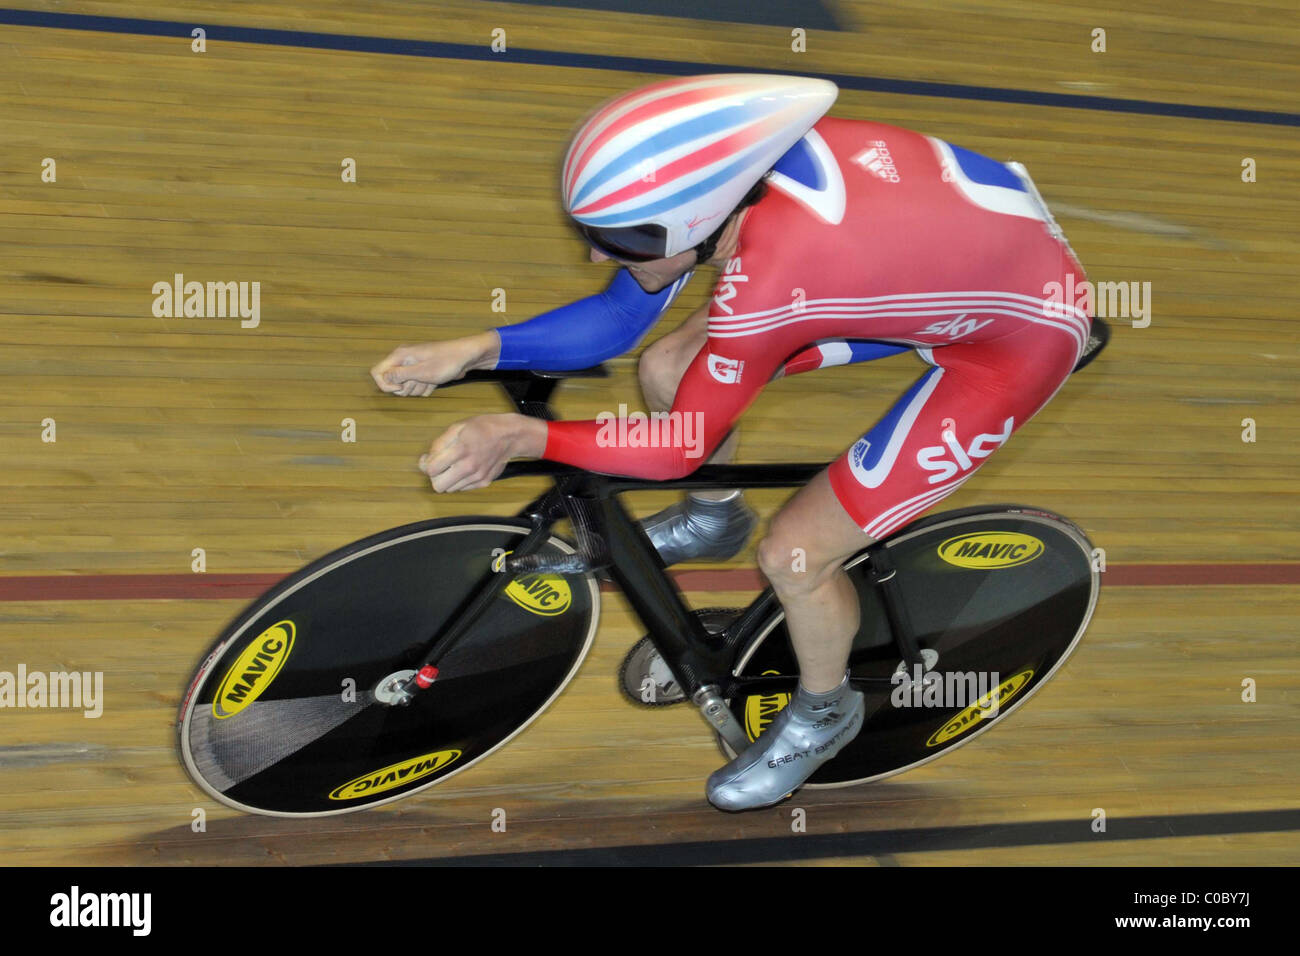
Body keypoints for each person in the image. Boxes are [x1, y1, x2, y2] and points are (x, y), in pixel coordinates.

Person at [370, 73, 1092, 811]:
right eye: (592, 235)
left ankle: (824, 714)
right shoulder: (735, 183)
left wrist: (524, 435)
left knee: (798, 556)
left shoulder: (773, 280)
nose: (596, 257)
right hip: (947, 257)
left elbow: (678, 444)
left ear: (699, 221)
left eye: (618, 242)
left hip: (1014, 339)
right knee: (665, 365)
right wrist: (474, 347)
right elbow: (620, 324)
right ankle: (716, 516)